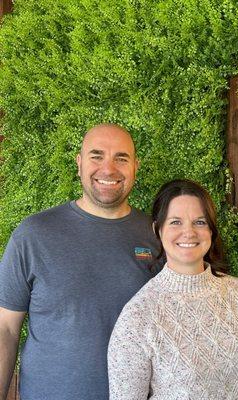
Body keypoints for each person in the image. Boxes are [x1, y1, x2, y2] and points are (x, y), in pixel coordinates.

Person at [0, 124, 161, 400]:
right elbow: (5, 328)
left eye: (121, 158)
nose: (108, 169)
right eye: (96, 156)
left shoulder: (159, 237)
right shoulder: (33, 235)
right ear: (79, 163)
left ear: (136, 166)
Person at [108, 179, 238, 400]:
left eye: (199, 222)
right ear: (157, 230)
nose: (188, 232)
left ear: (211, 229)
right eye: (175, 222)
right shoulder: (139, 315)